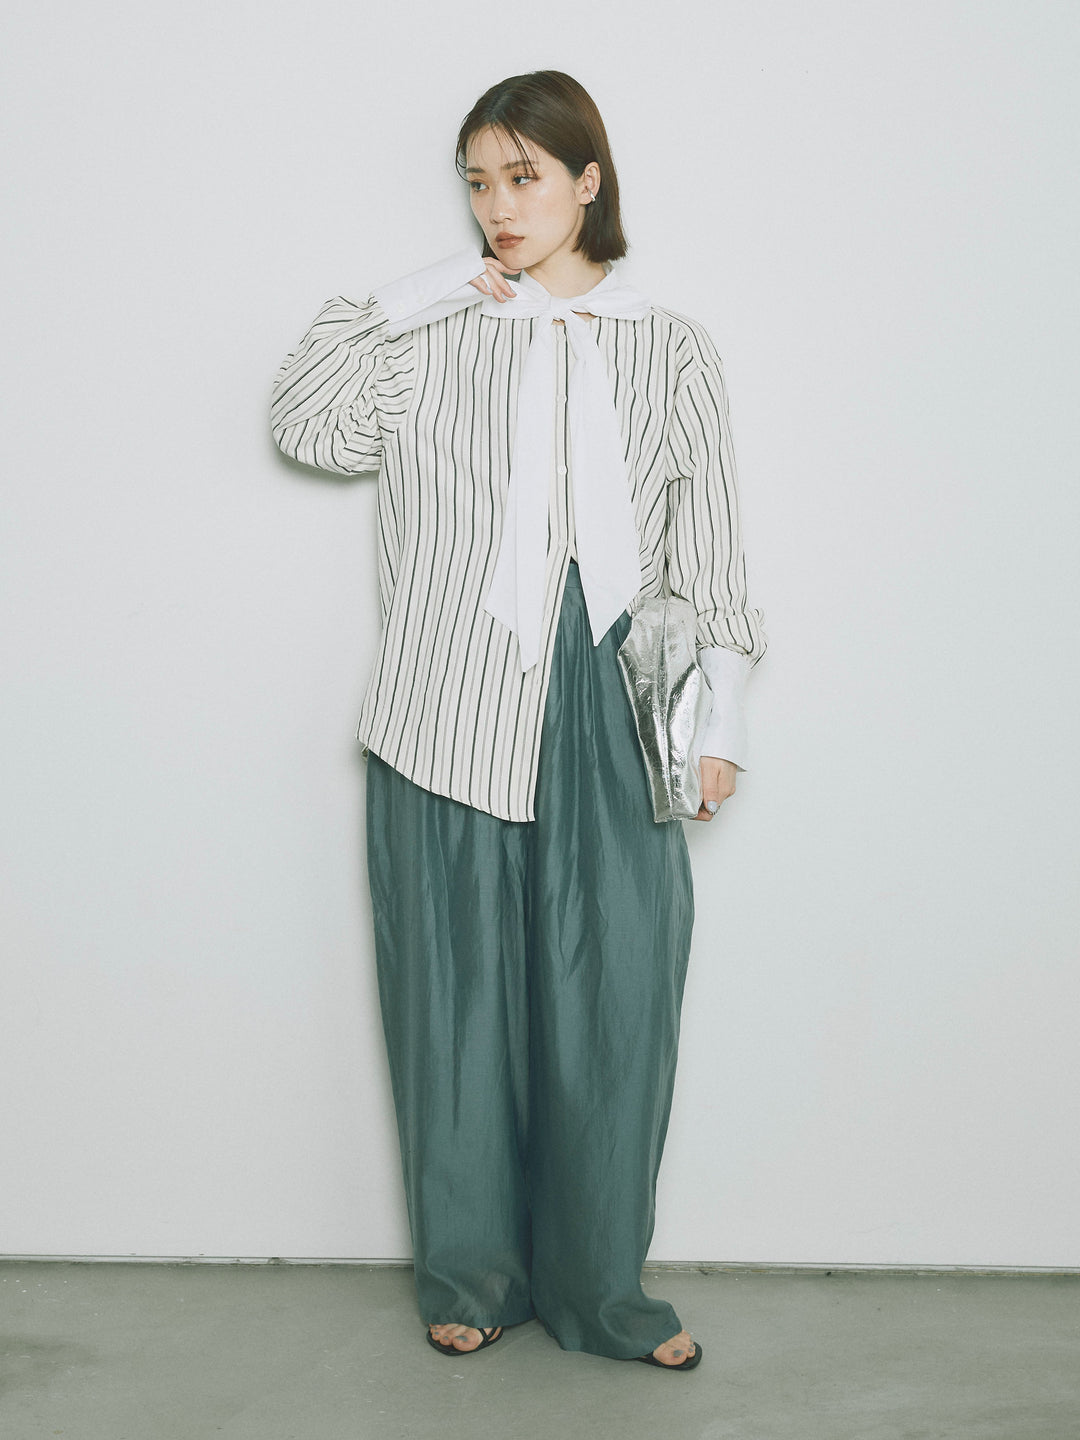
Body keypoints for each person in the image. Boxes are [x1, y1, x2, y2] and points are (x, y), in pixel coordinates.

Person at [270, 69, 767, 1371]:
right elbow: (306, 423)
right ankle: (472, 1277)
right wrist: (425, 290)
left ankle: (603, 1293)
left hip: (614, 695)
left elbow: (708, 545)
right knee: (455, 1001)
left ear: (587, 180)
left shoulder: (671, 346)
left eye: (525, 177)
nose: (499, 206)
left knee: (619, 998)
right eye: (480, 182)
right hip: (448, 695)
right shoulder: (437, 335)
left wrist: (719, 724)